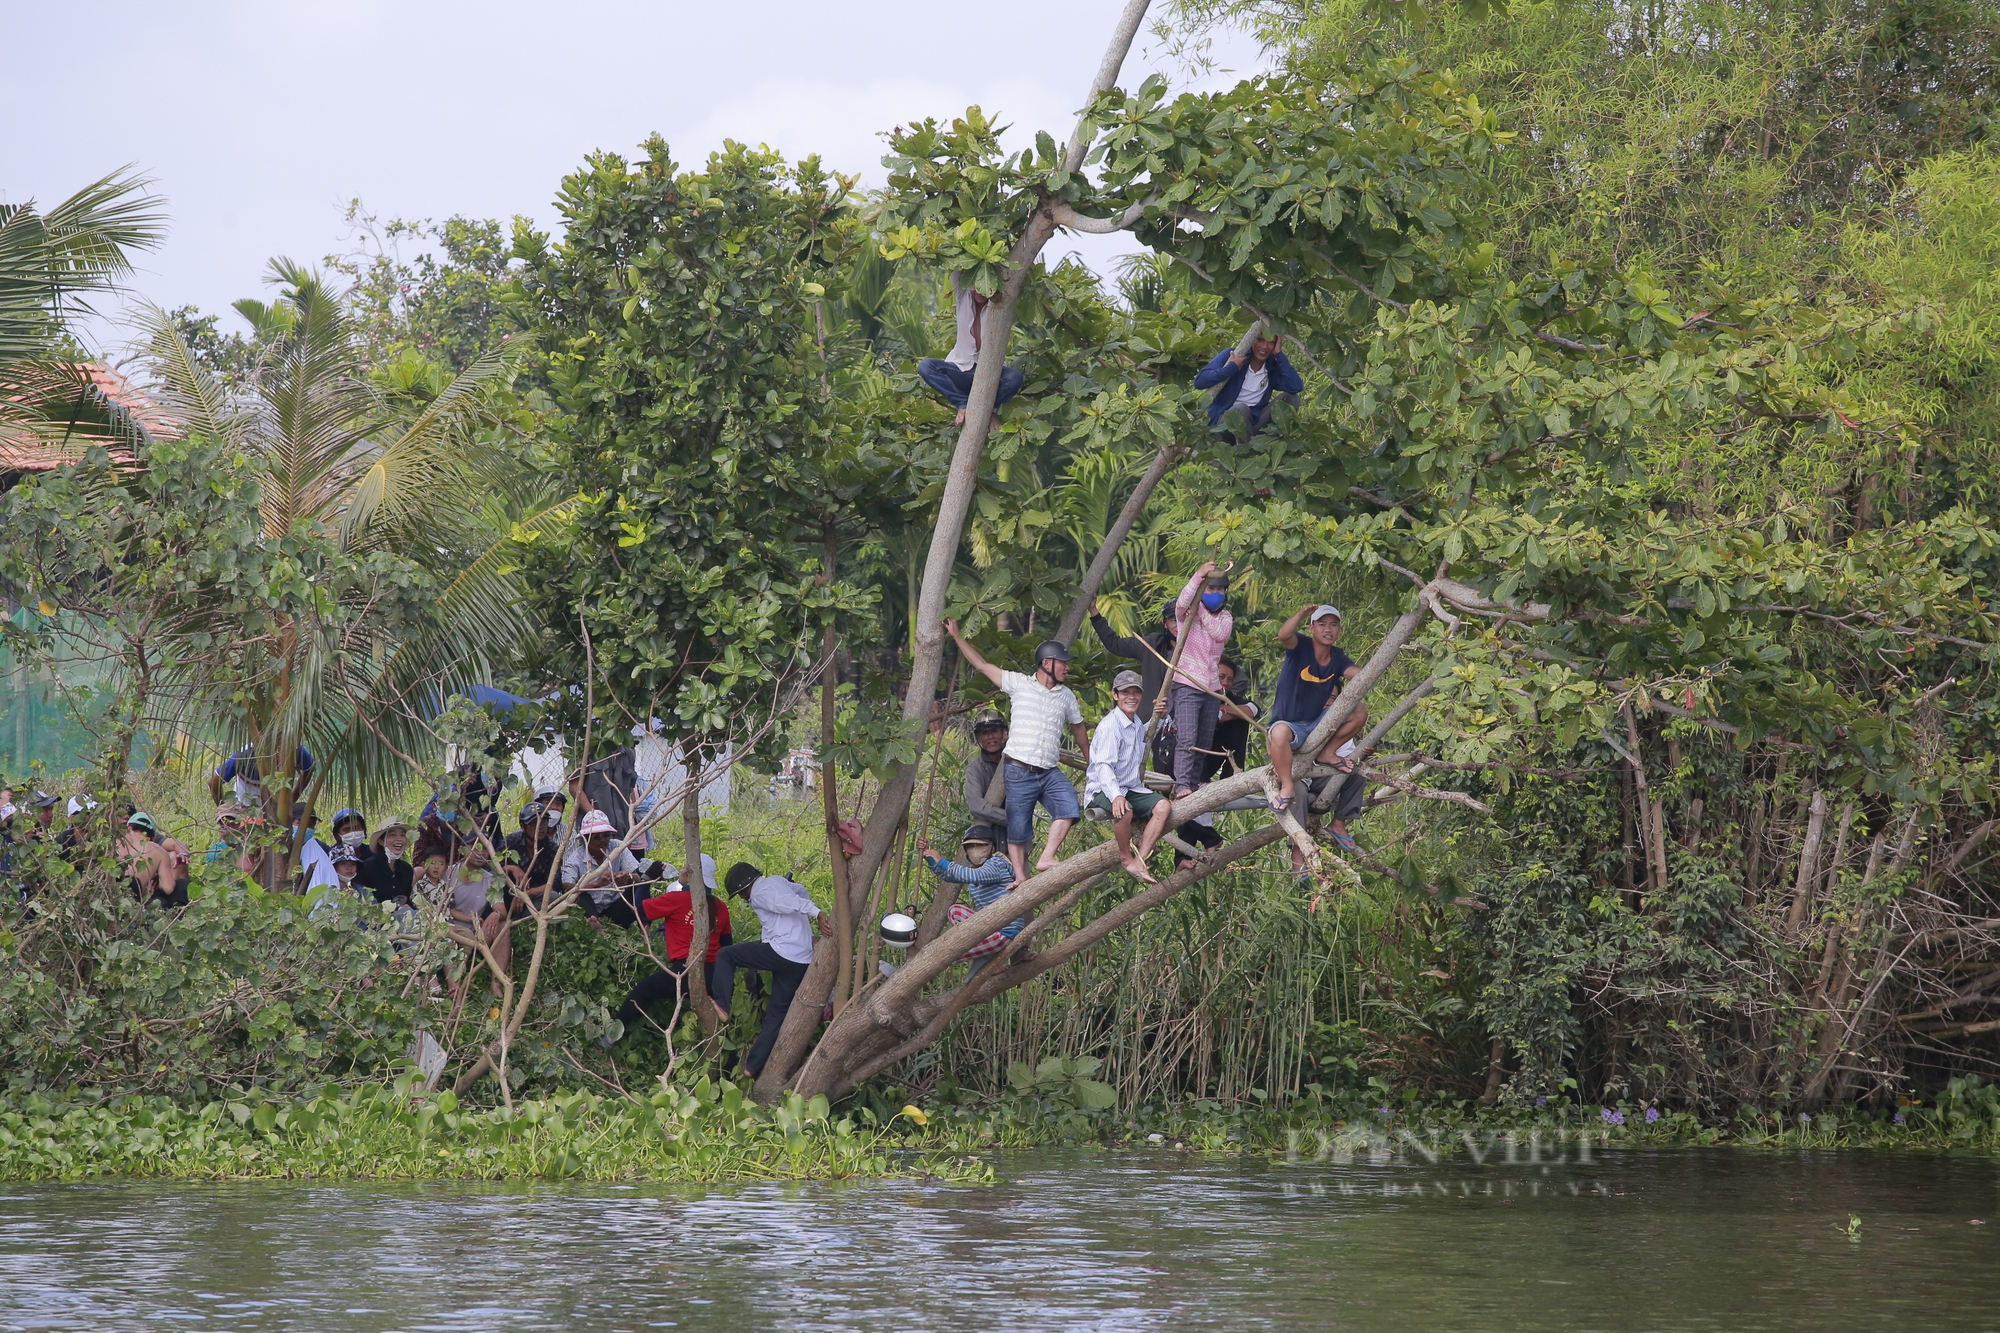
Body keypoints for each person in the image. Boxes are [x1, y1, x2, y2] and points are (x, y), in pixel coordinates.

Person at [943, 622, 1088, 881]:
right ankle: (1020, 877)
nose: (1067, 667)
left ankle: (1047, 856)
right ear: (1046, 664)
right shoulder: (1020, 684)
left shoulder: (1067, 696)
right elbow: (982, 666)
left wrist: (1091, 761)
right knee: (1018, 826)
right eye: (1063, 663)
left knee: (1069, 805)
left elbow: (1078, 728)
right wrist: (956, 636)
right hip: (1019, 769)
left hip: (1049, 770)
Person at [713, 861, 831, 1078]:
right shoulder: (777, 881)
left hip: (782, 952)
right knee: (776, 1015)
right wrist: (805, 906)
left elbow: (785, 902)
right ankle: (752, 1067)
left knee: (726, 955)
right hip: (801, 959)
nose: (742, 899)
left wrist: (817, 913)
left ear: (745, 887)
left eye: (740, 894)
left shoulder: (759, 893)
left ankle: (722, 1005)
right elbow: (800, 891)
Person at [1267, 603, 1369, 855]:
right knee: (1278, 733)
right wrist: (1300, 614)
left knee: (1359, 710)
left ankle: (1328, 753)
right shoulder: (1300, 646)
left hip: (1317, 720)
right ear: (1312, 627)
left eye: (1333, 624)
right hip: (1291, 723)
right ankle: (1287, 785)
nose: (1328, 629)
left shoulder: (1338, 657)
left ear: (1339, 630)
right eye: (1322, 624)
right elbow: (1283, 635)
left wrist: (1377, 668)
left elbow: (1358, 675)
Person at [613, 854, 731, 1042]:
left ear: (691, 875)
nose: (681, 870)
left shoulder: (677, 899)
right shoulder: (721, 907)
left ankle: (610, 1039)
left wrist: (646, 880)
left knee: (642, 992)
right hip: (714, 974)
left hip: (685, 970)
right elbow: (727, 946)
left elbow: (639, 910)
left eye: (685, 868)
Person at [1086, 670, 1174, 883]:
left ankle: (1140, 861)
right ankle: (1126, 858)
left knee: (1163, 807)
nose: (1131, 697)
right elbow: (1104, 766)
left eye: (1136, 692)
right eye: (1126, 692)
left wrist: (1159, 717)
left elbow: (1144, 734)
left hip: (1130, 787)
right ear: (1115, 695)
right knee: (1125, 810)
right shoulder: (1110, 726)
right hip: (1103, 789)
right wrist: (1116, 796)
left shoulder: (1133, 722)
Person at [916, 275, 1027, 428]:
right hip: (962, 371)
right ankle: (963, 403)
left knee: (1015, 377)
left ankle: (990, 411)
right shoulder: (963, 296)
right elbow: (956, 263)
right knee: (926, 366)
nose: (978, 291)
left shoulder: (1001, 304)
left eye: (983, 285)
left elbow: (1010, 274)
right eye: (975, 286)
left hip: (991, 374)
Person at [1167, 562, 1235, 800]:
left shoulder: (1225, 616)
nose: (1217, 595)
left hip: (1212, 687)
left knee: (1204, 738)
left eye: (1220, 590)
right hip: (1187, 682)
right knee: (1187, 736)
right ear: (1201, 591)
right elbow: (1183, 601)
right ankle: (1182, 783)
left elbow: (1220, 634)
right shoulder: (1186, 615)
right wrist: (1198, 576)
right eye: (1210, 589)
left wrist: (1202, 611)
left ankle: (1194, 782)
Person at [918, 824, 1032, 965]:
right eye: (971, 847)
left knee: (949, 955)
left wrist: (941, 861)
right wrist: (929, 856)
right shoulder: (975, 871)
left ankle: (987, 962)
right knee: (955, 912)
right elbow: (948, 875)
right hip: (991, 928)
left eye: (981, 846)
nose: (976, 851)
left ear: (992, 847)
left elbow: (976, 875)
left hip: (1004, 931)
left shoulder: (996, 862)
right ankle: (985, 959)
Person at [1192, 330, 1303, 440]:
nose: (1264, 346)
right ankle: (1246, 452)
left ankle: (1274, 441)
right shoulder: (1233, 355)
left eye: (1270, 342)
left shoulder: (1271, 366)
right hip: (1224, 425)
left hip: (1254, 423)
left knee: (1292, 398)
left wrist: (1279, 355)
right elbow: (1200, 381)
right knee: (1241, 409)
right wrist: (1231, 368)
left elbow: (1295, 386)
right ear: (1252, 340)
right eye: (1260, 340)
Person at [560, 809, 643, 926]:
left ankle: (638, 925)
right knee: (581, 896)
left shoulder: (617, 847)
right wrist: (596, 884)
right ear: (585, 838)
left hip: (617, 906)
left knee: (638, 887)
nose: (603, 840)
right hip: (591, 908)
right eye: (597, 836)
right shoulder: (576, 858)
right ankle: (594, 924)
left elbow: (637, 877)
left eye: (606, 835)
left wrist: (627, 877)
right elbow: (567, 887)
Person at [1200, 658, 1262, 783]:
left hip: (1207, 762)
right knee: (1239, 715)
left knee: (1241, 720)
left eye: (1230, 680)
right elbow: (1206, 717)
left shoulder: (1228, 697)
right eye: (1221, 677)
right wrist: (1229, 712)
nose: (1225, 683)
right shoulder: (1195, 693)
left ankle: (1232, 778)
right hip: (1178, 762)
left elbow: (1253, 710)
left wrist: (1223, 709)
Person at [207, 744, 315, 812]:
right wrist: (225, 810)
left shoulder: (294, 749)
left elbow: (309, 768)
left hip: (278, 812)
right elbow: (213, 782)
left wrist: (293, 797)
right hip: (244, 810)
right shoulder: (246, 754)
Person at [501, 800, 560, 910]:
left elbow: (554, 884)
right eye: (533, 823)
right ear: (523, 826)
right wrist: (513, 868)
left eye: (544, 821)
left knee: (553, 897)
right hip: (509, 895)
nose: (540, 827)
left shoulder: (552, 848)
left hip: (535, 899)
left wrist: (527, 894)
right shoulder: (511, 841)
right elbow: (492, 867)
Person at [120, 812, 187, 908]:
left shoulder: (115, 842)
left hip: (106, 894)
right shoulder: (159, 851)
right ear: (154, 836)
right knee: (182, 885)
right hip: (132, 901)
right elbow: (168, 888)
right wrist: (158, 879)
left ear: (129, 828)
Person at [963, 709, 1009, 831]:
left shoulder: (1017, 760)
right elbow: (976, 805)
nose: (990, 737)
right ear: (978, 737)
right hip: (986, 836)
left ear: (1004, 732)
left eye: (994, 731)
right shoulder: (975, 769)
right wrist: (1013, 819)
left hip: (1018, 835)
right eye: (984, 733)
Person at [360, 817, 414, 906]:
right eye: (393, 835)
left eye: (402, 835)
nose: (399, 839)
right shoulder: (366, 868)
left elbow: (406, 899)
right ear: (381, 841)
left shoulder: (407, 870)